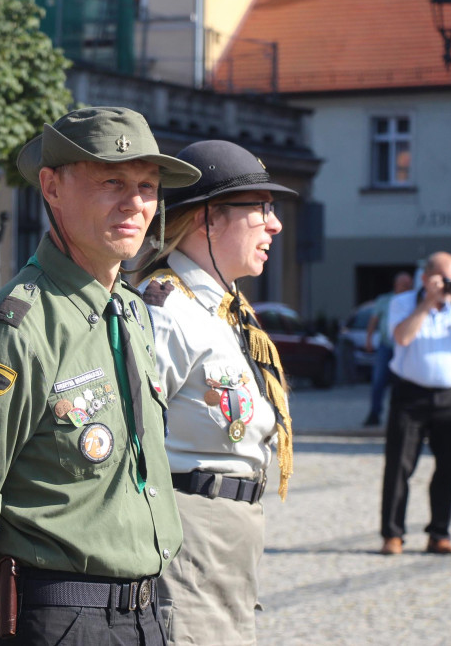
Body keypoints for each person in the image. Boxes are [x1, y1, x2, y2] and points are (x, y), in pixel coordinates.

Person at [0, 106, 200, 645]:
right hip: (59, 620)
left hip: (147, 615)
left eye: (148, 186)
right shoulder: (15, 330)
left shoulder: (131, 312)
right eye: (112, 181)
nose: (136, 202)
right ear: (51, 187)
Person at [136, 140, 295, 645]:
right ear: (209, 219)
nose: (276, 224)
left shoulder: (222, 311)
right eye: (261, 209)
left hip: (226, 540)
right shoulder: (165, 311)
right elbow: (130, 442)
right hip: (187, 539)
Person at [379, 251, 451, 556]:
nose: (448, 286)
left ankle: (439, 533)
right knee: (399, 467)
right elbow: (401, 338)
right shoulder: (403, 303)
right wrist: (428, 303)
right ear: (426, 278)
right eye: (443, 279)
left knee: (449, 468)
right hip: (410, 395)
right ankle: (393, 534)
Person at [363, 271, 415, 426]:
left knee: (407, 382)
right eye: (403, 284)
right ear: (396, 285)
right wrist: (369, 340)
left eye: (408, 285)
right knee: (378, 381)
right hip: (386, 346)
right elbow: (373, 320)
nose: (406, 287)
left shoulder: (415, 300)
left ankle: (406, 415)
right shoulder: (385, 300)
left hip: (406, 348)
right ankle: (374, 413)